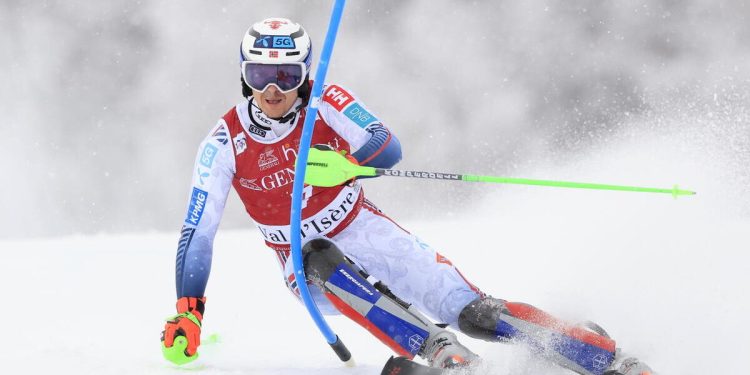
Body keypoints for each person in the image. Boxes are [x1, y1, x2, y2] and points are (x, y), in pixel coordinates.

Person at [160, 17, 653, 375]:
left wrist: (350, 164)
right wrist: (189, 311)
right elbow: (197, 233)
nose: (273, 90)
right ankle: (446, 356)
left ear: (304, 74)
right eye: (260, 76)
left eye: (287, 76)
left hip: (363, 227)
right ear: (244, 74)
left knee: (473, 311)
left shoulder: (325, 102)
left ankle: (605, 357)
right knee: (317, 258)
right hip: (303, 260)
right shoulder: (224, 142)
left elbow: (386, 145)